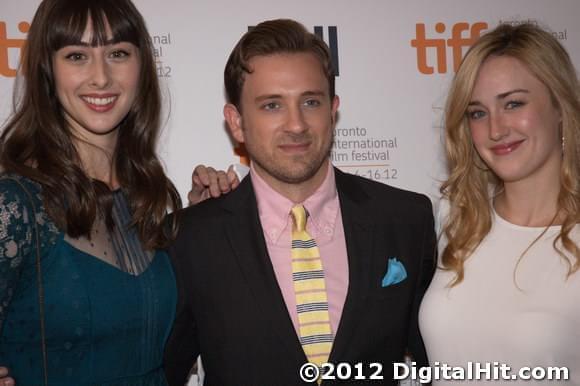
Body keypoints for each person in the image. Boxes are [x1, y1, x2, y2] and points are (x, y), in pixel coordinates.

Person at [164, 18, 436, 385]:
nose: (296, 124)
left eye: (310, 101)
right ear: (237, 122)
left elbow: (436, 363)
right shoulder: (190, 238)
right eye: (272, 105)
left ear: (332, 109)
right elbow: (164, 373)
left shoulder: (407, 220)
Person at [0, 0, 236, 384]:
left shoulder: (146, 201)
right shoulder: (15, 206)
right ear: (47, 70)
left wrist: (196, 225)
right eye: (77, 55)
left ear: (141, 67)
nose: (101, 77)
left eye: (118, 53)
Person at [419, 23, 580, 384]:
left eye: (513, 103)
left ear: (559, 107)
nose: (495, 129)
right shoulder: (455, 220)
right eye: (477, 112)